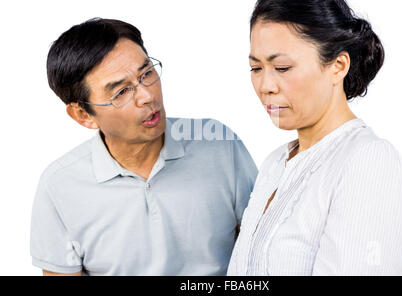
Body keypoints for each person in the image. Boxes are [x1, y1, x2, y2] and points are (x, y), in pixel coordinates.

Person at [30, 18, 257, 276]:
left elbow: (262, 252)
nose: (147, 96)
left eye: (147, 73)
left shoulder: (219, 145)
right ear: (83, 115)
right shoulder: (59, 185)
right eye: (121, 92)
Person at [227, 0, 402, 275]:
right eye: (256, 68)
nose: (265, 86)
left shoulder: (368, 160)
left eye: (283, 68)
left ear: (338, 66)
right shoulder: (275, 164)